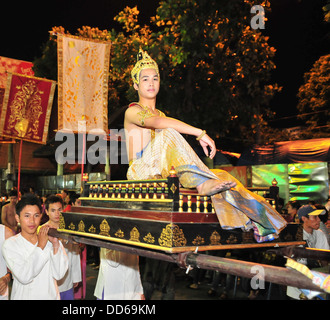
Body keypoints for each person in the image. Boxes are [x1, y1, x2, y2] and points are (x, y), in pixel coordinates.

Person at [124, 49, 286, 242]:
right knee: (169, 133)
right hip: (140, 172)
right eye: (145, 79)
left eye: (155, 78)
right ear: (135, 85)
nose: (151, 83)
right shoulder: (133, 111)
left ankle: (261, 222)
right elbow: (157, 124)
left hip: (164, 173)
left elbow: (168, 141)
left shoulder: (163, 115)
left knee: (221, 176)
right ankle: (202, 185)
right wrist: (199, 132)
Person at [2, 194, 68, 300]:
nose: (32, 221)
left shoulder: (50, 240)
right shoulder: (10, 244)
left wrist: (56, 245)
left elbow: (59, 274)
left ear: (41, 217)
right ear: (17, 218)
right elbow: (24, 276)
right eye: (27, 216)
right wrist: (41, 246)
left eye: (36, 215)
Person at [287, 204, 329, 299]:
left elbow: (324, 260)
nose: (318, 220)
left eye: (318, 216)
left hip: (315, 284)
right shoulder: (294, 235)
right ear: (304, 218)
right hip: (297, 287)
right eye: (315, 217)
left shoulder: (319, 234)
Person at [43, 195, 82, 300]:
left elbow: (75, 253)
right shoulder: (43, 231)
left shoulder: (69, 229)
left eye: (59, 210)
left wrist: (76, 277)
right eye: (53, 210)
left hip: (66, 278)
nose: (57, 213)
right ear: (46, 211)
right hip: (48, 280)